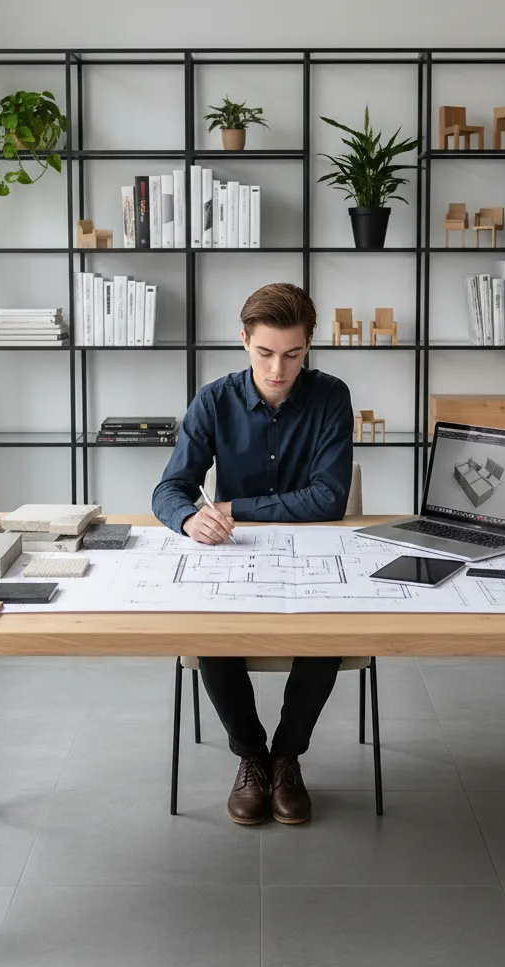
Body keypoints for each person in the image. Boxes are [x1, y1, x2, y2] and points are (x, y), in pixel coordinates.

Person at [152, 282, 354, 826]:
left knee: (330, 628)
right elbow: (168, 489)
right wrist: (191, 517)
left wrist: (234, 505)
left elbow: (329, 499)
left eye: (292, 355)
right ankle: (251, 759)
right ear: (244, 340)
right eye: (265, 353)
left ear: (308, 346)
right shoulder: (214, 400)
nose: (277, 370)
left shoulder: (331, 396)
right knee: (210, 629)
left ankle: (287, 757)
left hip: (313, 556)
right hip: (231, 555)